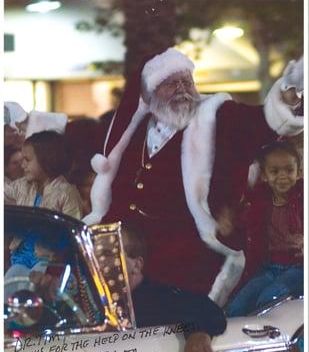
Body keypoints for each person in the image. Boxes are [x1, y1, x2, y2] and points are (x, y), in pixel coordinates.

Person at [83, 48, 303, 307]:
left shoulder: (218, 117)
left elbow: (261, 122)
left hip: (191, 251)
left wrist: (289, 96)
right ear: (151, 93)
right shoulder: (134, 129)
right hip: (132, 255)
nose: (182, 89)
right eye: (171, 83)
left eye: (187, 81)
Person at [29, 223, 227, 352]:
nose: (97, 263)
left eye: (107, 254)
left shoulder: (162, 298)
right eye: (93, 256)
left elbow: (209, 311)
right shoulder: (81, 302)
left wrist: (198, 333)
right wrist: (42, 306)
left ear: (136, 264)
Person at [225, 141, 303, 316]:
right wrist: (229, 222)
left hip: (299, 268)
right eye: (275, 171)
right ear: (264, 175)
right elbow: (243, 222)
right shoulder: (258, 200)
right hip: (269, 267)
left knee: (267, 300)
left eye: (289, 170)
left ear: (299, 173)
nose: (282, 176)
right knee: (237, 306)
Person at [4, 130, 83, 283]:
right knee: (8, 291)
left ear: (47, 160)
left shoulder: (66, 192)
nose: (22, 165)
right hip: (19, 258)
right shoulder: (22, 185)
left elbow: (74, 230)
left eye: (27, 160)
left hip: (47, 261)